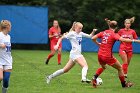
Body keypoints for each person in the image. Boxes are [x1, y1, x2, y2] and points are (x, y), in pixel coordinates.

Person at [91, 18, 140, 88]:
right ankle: (124, 85)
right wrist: (137, 41)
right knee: (120, 68)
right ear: (116, 27)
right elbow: (123, 39)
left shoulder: (103, 32)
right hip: (107, 56)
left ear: (109, 26)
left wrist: (98, 43)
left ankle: (94, 77)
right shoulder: (114, 34)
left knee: (103, 67)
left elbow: (93, 38)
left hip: (100, 54)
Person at [0, 20, 12, 93]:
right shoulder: (0, 35)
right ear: (7, 27)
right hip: (0, 60)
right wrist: (0, 45)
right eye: (10, 26)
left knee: (6, 80)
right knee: (0, 77)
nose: (11, 27)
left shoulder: (9, 36)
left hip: (8, 60)